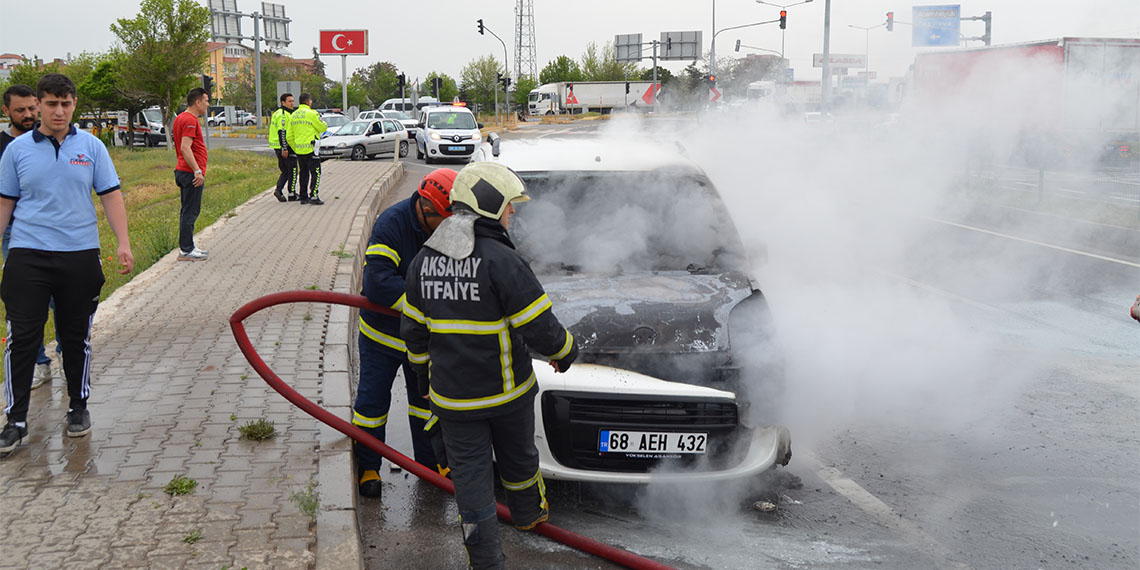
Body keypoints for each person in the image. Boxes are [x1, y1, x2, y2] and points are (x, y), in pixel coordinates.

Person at [402, 162, 578, 569]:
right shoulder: (501, 260)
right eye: (509, 206)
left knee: (471, 483)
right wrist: (566, 352)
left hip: (454, 402)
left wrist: (423, 380)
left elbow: (414, 334)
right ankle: (529, 515)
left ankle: (485, 560)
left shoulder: (423, 261)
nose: (512, 213)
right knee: (519, 462)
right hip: (506, 396)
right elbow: (541, 328)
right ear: (489, 204)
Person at [0, 73, 134, 455]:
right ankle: (16, 420)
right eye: (51, 103)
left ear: (74, 104)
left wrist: (123, 243)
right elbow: (6, 203)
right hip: (28, 255)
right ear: (38, 105)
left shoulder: (91, 147)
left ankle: (78, 406)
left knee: (74, 337)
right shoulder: (18, 150)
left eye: (66, 103)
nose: (59, 110)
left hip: (79, 254)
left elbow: (111, 196)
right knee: (23, 336)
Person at [354, 168, 457, 499]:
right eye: (443, 218)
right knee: (372, 405)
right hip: (382, 338)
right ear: (425, 210)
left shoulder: (449, 226)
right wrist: (427, 301)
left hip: (424, 342)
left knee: (426, 406)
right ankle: (368, 466)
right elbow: (377, 282)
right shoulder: (391, 224)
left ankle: (429, 468)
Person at [1, 84, 56, 389]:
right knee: (25, 303)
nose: (28, 115)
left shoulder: (50, 140)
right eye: (20, 110)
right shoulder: (4, 147)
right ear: (6, 111)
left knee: (61, 301)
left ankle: (68, 354)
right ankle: (39, 363)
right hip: (15, 233)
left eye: (31, 109)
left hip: (55, 232)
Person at [173, 87, 210, 261]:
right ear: (197, 102)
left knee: (187, 210)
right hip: (190, 173)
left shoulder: (180, 118)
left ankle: (188, 246)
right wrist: (197, 171)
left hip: (183, 170)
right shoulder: (189, 120)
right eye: (206, 100)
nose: (207, 104)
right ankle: (186, 249)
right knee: (190, 212)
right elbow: (185, 148)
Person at [285, 93, 327, 206]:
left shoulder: (293, 115)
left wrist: (296, 147)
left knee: (303, 173)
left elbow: (289, 136)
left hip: (299, 150)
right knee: (316, 172)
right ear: (308, 102)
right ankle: (314, 195)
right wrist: (322, 121)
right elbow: (323, 127)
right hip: (312, 148)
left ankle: (303, 197)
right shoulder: (312, 114)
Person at [269, 92, 297, 202]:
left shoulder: (279, 113)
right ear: (283, 102)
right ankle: (292, 193)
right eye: (289, 101)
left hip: (278, 146)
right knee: (293, 170)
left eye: (293, 101)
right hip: (284, 146)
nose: (292, 103)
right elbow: (282, 132)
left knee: (286, 171)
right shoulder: (283, 115)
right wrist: (284, 148)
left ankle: (279, 190)